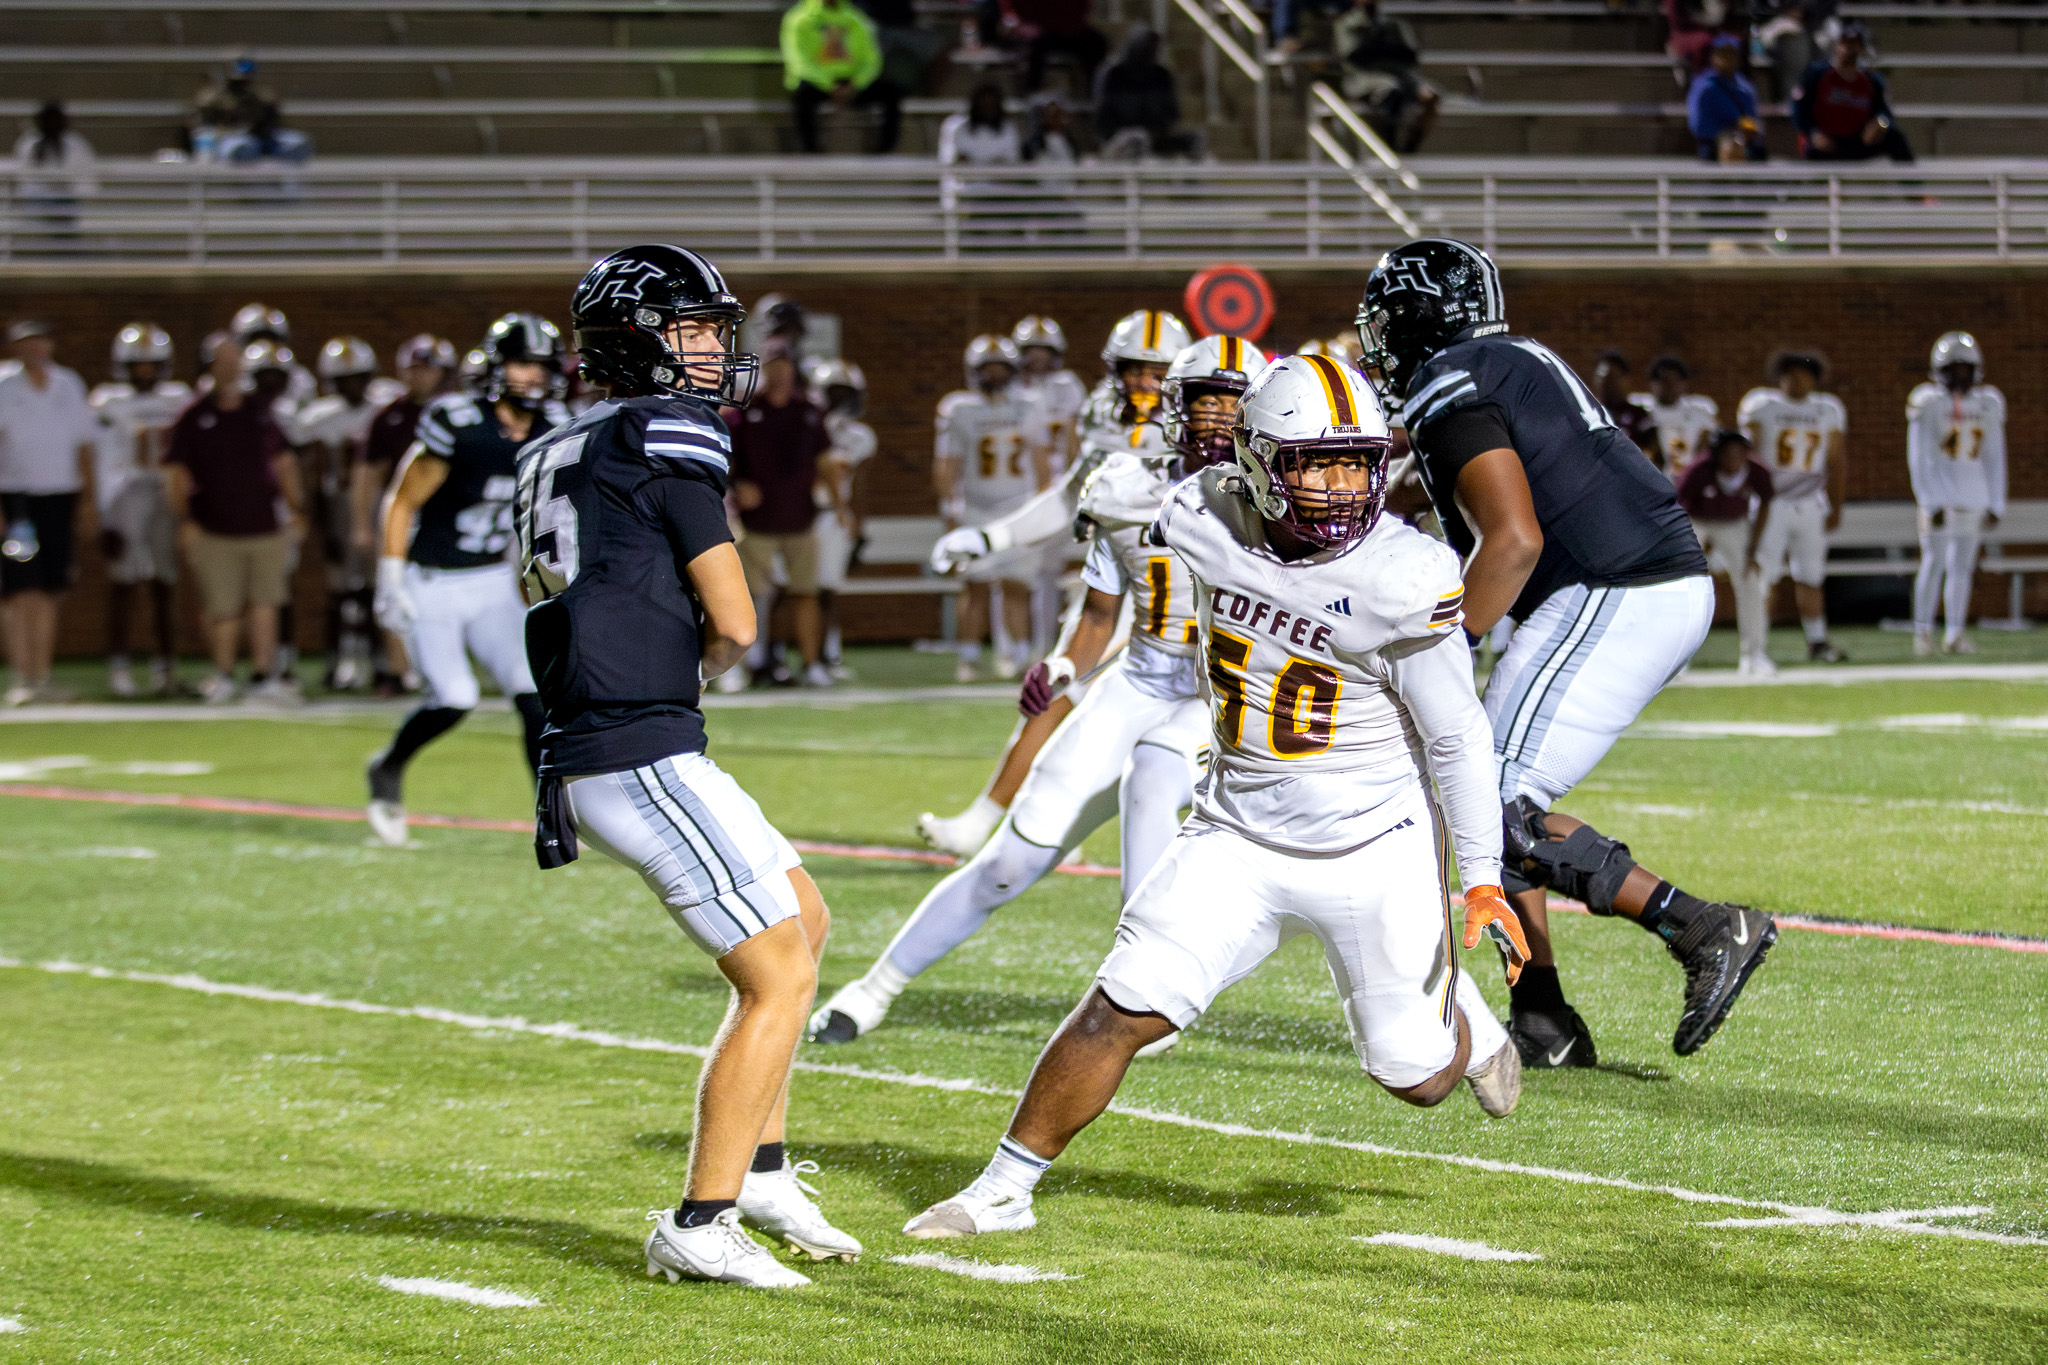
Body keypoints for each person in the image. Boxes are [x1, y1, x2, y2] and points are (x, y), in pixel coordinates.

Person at [900, 354, 1531, 1241]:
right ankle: (1001, 1189)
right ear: (1256, 462)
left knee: (1418, 1080)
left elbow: (1457, 735)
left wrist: (1483, 877)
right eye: (1315, 464)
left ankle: (1470, 1023)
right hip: (1234, 831)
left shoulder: (1403, 574)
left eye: (1356, 463)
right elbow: (1122, 532)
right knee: (1119, 1005)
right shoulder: (1199, 514)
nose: (1341, 487)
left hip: (1372, 845)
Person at [514, 244, 856, 1288]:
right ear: (635, 339)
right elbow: (738, 619)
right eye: (693, 329)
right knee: (777, 972)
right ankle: (700, 1221)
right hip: (633, 743)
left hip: (607, 730)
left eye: (714, 329)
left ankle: (762, 1172)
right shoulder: (664, 431)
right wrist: (701, 660)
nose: (712, 349)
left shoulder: (562, 440)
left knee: (802, 917)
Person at [1358, 237, 1777, 1066]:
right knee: (1491, 790)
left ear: (1419, 318)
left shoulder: (1449, 379)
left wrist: (1441, 652)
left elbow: (1512, 541)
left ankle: (1701, 926)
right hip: (1632, 583)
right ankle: (1543, 1017)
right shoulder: (1507, 359)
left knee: (1489, 800)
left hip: (1612, 586)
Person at [812, 335, 1265, 1047]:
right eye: (1202, 400)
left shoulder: (1279, 502)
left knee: (1153, 778)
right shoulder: (1122, 485)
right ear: (1174, 406)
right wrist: (1061, 667)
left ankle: (1144, 982)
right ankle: (873, 989)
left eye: (1229, 403)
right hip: (1139, 679)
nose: (1214, 417)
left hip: (1225, 699)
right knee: (1009, 863)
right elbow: (1098, 614)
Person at [918, 308, 1188, 855]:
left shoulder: (1208, 424)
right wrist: (991, 537)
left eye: (1156, 371)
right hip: (1122, 583)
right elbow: (1070, 497)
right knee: (1056, 693)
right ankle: (1002, 822)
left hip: (1189, 593)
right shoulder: (1105, 417)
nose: (1142, 383)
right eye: (1133, 369)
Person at [365, 316, 565, 846]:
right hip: (433, 580)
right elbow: (401, 501)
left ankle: (551, 812)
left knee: (533, 693)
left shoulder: (553, 426)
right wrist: (390, 578)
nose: (534, 376)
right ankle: (388, 765)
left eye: (542, 366)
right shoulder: (458, 421)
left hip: (492, 578)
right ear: (496, 367)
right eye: (522, 363)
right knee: (454, 698)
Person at [165, 337, 304, 705]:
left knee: (265, 602)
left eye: (234, 360)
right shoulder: (194, 415)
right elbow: (176, 472)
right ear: (209, 366)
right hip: (213, 527)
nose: (230, 367)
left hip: (264, 525)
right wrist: (185, 520)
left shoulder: (260, 412)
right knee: (222, 607)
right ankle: (223, 675)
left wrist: (295, 508)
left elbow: (284, 462)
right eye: (222, 360)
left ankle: (263, 675)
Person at [934, 335, 1051, 683]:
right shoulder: (960, 409)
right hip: (977, 509)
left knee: (1017, 586)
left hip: (1018, 509)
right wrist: (949, 508)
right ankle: (969, 657)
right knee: (976, 586)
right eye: (988, 368)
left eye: (1001, 368)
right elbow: (948, 465)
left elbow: (1042, 466)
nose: (995, 375)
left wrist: (1043, 510)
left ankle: (1020, 655)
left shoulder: (1029, 406)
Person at [294, 337, 405, 691]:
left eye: (358, 377)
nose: (353, 386)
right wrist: (323, 525)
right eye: (344, 380)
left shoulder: (385, 407)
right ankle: (338, 662)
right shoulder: (319, 417)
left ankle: (383, 663)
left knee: (377, 589)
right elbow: (311, 475)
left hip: (380, 504)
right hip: (339, 508)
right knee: (340, 591)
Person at [90, 323, 191, 698]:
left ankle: (165, 667)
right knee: (124, 583)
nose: (145, 373)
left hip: (164, 493)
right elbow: (101, 462)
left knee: (165, 583)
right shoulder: (107, 401)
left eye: (152, 366)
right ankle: (120, 667)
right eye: (138, 366)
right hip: (127, 495)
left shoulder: (179, 398)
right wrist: (106, 516)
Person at [0, 320, 98, 705]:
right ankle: (22, 676)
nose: (33, 349)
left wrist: (88, 500)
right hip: (17, 500)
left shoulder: (68, 384)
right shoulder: (4, 386)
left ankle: (42, 676)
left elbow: (85, 444)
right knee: (22, 588)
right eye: (25, 343)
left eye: (38, 341)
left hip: (59, 498)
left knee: (51, 588)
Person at [728, 340, 835, 689]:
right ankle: (742, 665)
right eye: (773, 364)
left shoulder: (809, 411)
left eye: (784, 364)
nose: (779, 372)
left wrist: (837, 503)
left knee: (805, 593)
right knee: (749, 596)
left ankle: (812, 663)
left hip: (800, 517)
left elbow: (825, 461)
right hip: (756, 522)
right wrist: (737, 485)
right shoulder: (745, 412)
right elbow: (725, 458)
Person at [357, 334, 454, 695]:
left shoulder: (457, 412)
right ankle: (402, 671)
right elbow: (368, 474)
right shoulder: (390, 416)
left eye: (427, 368)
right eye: (413, 368)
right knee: (394, 589)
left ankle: (440, 668)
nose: (419, 375)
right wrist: (361, 523)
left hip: (449, 516)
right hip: (406, 514)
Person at [1738, 348, 1848, 663]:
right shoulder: (1762, 405)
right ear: (1779, 377)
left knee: (1811, 576)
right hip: (1770, 504)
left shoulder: (1828, 409)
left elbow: (1836, 462)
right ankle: (1757, 644)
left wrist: (1836, 506)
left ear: (1815, 378)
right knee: (1765, 576)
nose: (1796, 379)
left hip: (1811, 504)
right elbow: (1747, 456)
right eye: (1789, 373)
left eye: (1803, 373)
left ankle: (1817, 640)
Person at [1907, 332, 2005, 658]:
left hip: (1973, 496)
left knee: (1962, 568)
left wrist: (1996, 501)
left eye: (1965, 368)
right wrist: (1928, 500)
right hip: (1939, 498)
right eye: (1953, 368)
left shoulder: (1988, 403)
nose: (1960, 375)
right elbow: (1918, 456)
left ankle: (1955, 633)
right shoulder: (1928, 401)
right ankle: (1922, 632)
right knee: (1932, 563)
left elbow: (1994, 455)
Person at [1676, 429, 1775, 676]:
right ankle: (1677, 658)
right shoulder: (1699, 471)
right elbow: (1679, 508)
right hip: (1697, 521)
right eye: (1727, 453)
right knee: (1682, 584)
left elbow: (1766, 503)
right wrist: (1693, 548)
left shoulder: (1756, 471)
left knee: (1750, 582)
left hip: (1735, 524)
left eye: (1738, 453)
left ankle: (1754, 654)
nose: (1733, 459)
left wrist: (1753, 549)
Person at [807, 357, 874, 677]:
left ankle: (828, 653)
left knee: (828, 589)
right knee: (792, 590)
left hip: (834, 516)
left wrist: (857, 523)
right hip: (803, 513)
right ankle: (771, 655)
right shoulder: (803, 426)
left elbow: (859, 485)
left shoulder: (859, 436)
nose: (840, 401)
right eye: (834, 392)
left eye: (846, 393)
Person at [782, 0, 901, 155]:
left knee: (891, 94)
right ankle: (810, 151)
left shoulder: (857, 18)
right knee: (802, 97)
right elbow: (799, 62)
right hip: (817, 82)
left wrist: (856, 83)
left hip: (852, 81)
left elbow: (872, 60)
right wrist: (829, 85)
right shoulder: (799, 19)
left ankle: (885, 152)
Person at [1793, 21, 1911, 163]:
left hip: (1858, 140)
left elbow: (1885, 112)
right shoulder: (1816, 74)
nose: (1847, 49)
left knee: (1894, 136)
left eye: (1853, 44)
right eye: (1844, 43)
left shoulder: (1872, 80)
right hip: (1825, 140)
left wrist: (1880, 124)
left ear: (1862, 48)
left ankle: (1910, 177)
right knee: (1812, 147)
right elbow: (1800, 109)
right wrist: (1813, 133)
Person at [1333, 0, 1439, 155]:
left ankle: (1410, 146)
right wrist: (1384, 50)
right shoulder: (1346, 24)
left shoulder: (1395, 24)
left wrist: (1380, 50)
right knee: (1391, 90)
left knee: (1430, 95)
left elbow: (1410, 54)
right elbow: (1353, 58)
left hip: (1403, 76)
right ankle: (1389, 145)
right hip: (1366, 79)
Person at [1094, 26, 1199, 160]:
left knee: (1194, 139)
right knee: (1137, 137)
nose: (1153, 50)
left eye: (1155, 46)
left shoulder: (1162, 75)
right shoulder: (1116, 74)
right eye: (1149, 45)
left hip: (1156, 134)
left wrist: (1158, 128)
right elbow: (1106, 112)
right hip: (1123, 134)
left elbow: (1171, 111)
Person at [12, 102, 96, 254]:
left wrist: (65, 190)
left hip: (70, 202)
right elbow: (24, 180)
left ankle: (67, 251)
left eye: (56, 120)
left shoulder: (76, 144)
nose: (52, 125)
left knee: (66, 213)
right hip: (38, 202)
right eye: (48, 120)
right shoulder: (29, 144)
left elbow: (86, 181)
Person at [194, 57, 312, 165]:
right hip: (231, 139)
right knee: (243, 148)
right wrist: (232, 131)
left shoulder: (261, 95)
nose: (241, 85)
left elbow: (273, 122)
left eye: (244, 81)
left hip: (262, 138)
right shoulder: (213, 97)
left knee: (298, 143)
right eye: (237, 82)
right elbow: (205, 125)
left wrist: (262, 129)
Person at [1011, 315, 1086, 472]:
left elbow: (1075, 436)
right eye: (1032, 350)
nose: (1038, 356)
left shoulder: (1066, 386)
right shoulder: (1012, 390)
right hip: (1022, 473)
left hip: (1060, 472)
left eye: (1044, 350)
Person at [1632, 355, 1719, 482]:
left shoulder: (1699, 411)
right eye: (1664, 381)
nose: (1670, 386)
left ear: (1684, 383)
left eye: (1675, 380)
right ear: (1652, 383)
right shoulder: (1641, 409)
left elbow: (1711, 444)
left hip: (1689, 479)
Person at [999, 0, 1109, 94]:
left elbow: (1081, 9)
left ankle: (1096, 93)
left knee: (1097, 43)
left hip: (1072, 30)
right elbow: (1017, 11)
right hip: (1043, 32)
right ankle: (1032, 93)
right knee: (1034, 51)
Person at [1686, 34, 1765, 162]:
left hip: (1744, 141)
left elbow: (1753, 117)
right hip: (1714, 143)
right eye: (1722, 54)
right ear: (1713, 57)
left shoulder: (1745, 87)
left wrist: (1751, 131)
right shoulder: (1704, 87)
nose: (1727, 58)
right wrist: (1728, 131)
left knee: (1758, 153)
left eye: (1731, 54)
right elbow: (1698, 124)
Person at [1591, 350, 1658, 459]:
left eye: (1612, 378)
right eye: (1601, 378)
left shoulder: (1639, 416)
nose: (1606, 384)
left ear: (1625, 380)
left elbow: (1655, 455)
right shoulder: (1589, 415)